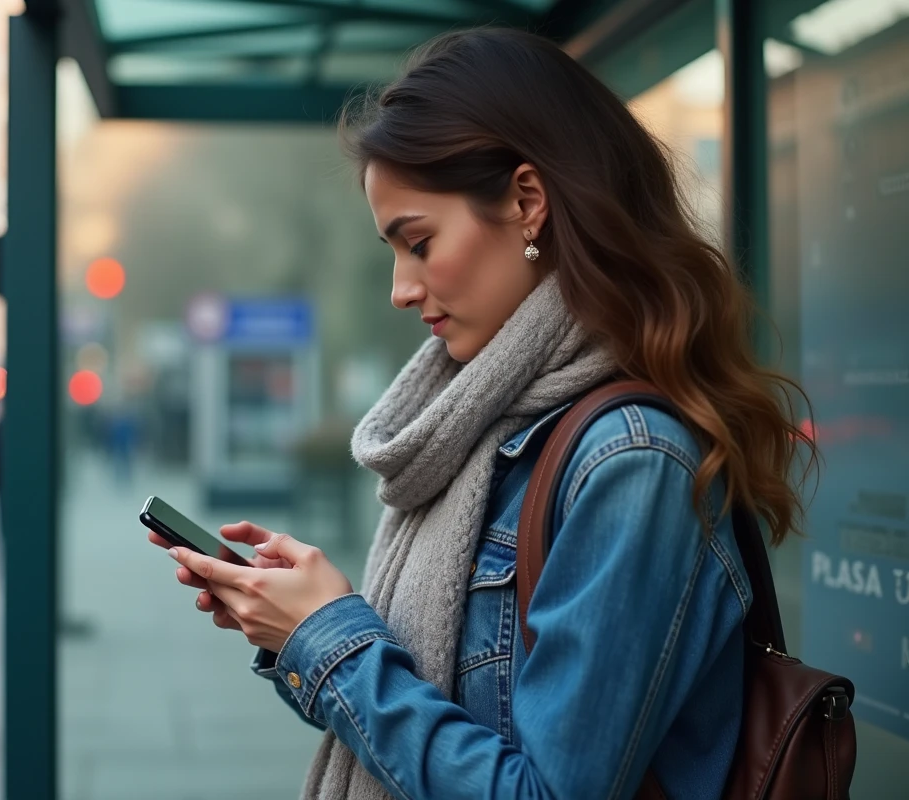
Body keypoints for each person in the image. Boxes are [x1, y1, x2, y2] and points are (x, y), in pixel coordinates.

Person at [149, 28, 816, 799]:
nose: (401, 288)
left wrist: (329, 638)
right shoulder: (481, 428)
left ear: (528, 204)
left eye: (419, 243)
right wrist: (301, 628)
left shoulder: (631, 458)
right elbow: (441, 724)